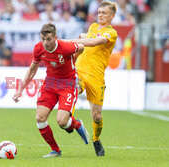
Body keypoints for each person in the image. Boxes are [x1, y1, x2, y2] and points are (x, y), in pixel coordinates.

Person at [13, 23, 89, 157]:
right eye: (43, 39)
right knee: (40, 118)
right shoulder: (38, 48)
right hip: (50, 84)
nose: (45, 43)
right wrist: (20, 89)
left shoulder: (66, 47)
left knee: (62, 122)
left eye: (48, 39)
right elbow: (32, 69)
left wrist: (73, 60)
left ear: (55, 38)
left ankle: (77, 125)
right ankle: (55, 150)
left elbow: (81, 47)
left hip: (68, 84)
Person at [69, 1, 118, 156]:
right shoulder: (92, 27)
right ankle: (72, 123)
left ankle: (96, 140)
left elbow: (94, 41)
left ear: (112, 16)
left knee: (96, 116)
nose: (100, 15)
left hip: (96, 77)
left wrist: (71, 41)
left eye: (104, 13)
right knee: (73, 91)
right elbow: (87, 41)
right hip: (80, 72)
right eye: (99, 12)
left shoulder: (111, 33)